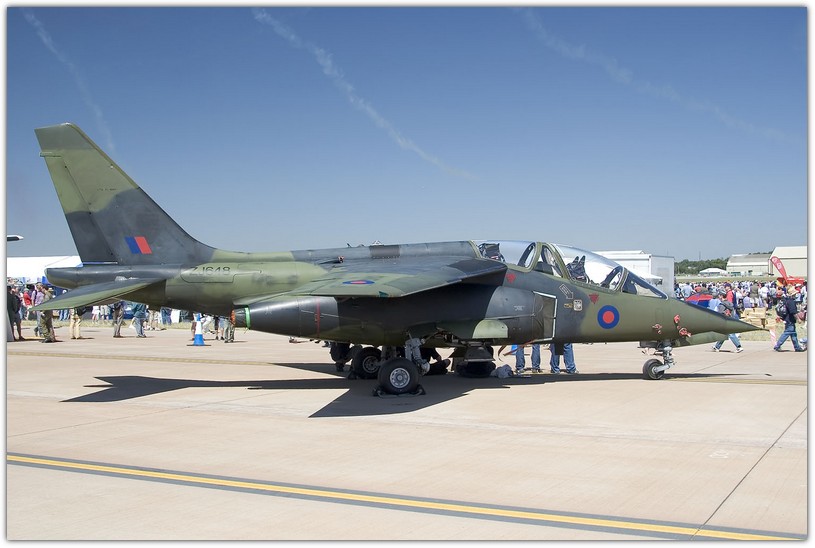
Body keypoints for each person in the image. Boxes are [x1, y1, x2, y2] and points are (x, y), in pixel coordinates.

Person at [774, 286, 806, 352]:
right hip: (790, 320)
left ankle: (797, 347)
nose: (796, 295)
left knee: (793, 334)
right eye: (795, 294)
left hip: (787, 319)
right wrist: (798, 319)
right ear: (792, 294)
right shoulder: (791, 301)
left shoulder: (786, 300)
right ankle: (777, 346)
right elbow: (793, 312)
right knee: (787, 333)